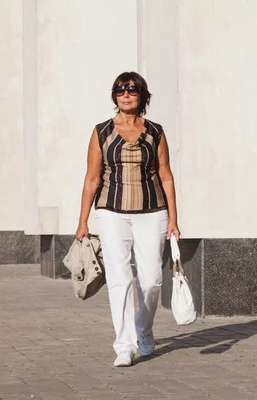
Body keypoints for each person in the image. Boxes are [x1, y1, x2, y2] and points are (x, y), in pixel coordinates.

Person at [75, 71, 180, 367]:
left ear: (142, 95)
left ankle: (143, 329)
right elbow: (92, 178)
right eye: (120, 89)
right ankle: (124, 345)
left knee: (152, 281)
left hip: (152, 211)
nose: (126, 93)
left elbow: (166, 177)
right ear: (114, 95)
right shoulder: (101, 132)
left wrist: (173, 219)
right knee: (120, 278)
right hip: (111, 211)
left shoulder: (156, 131)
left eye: (132, 89)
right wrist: (83, 221)